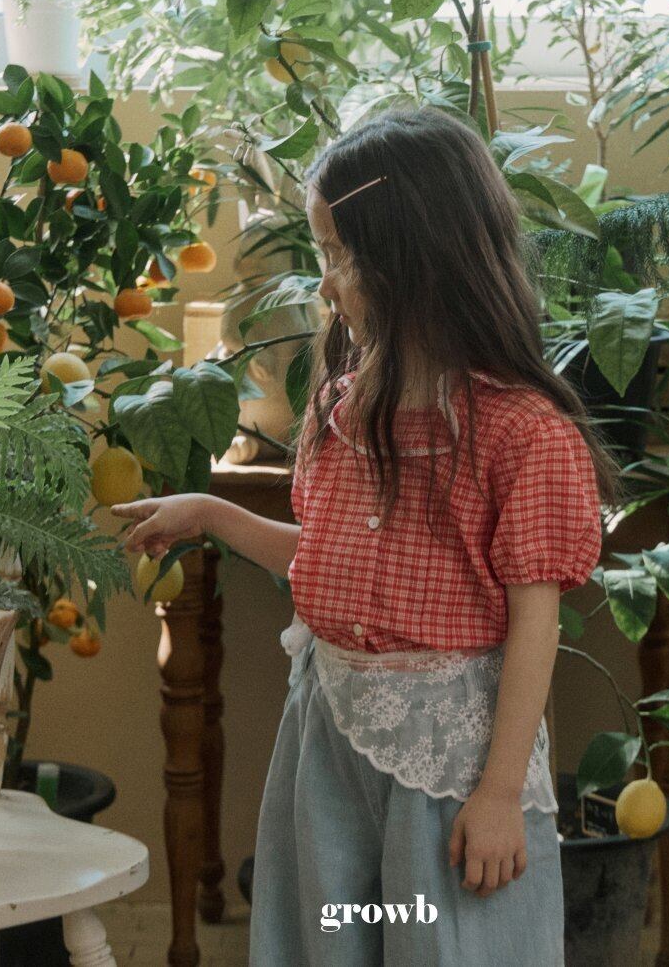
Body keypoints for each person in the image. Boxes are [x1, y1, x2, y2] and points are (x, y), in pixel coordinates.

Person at [111, 106, 622, 966]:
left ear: (414, 259)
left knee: (443, 944)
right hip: (330, 739)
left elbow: (535, 624)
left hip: (448, 766)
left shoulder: (523, 434)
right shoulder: (340, 410)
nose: (325, 287)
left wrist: (500, 794)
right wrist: (212, 513)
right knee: (333, 935)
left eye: (338, 258)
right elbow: (330, 564)